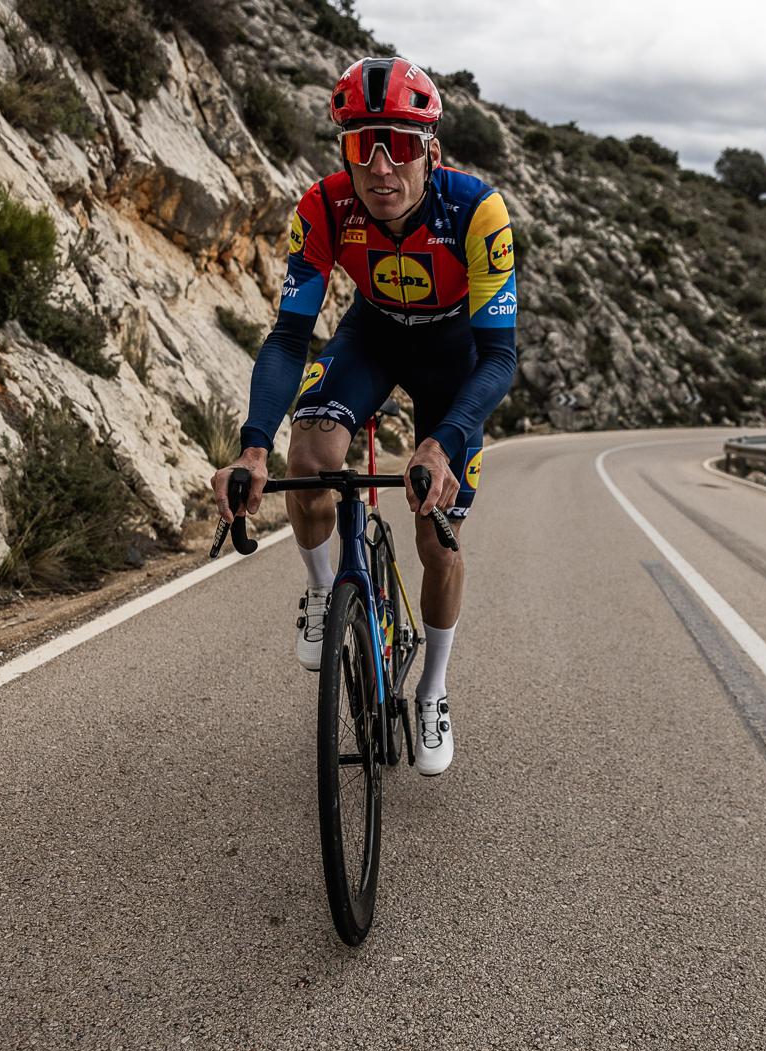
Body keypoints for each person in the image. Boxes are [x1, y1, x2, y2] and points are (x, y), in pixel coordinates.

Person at [211, 57, 518, 777]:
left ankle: (434, 687)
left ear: (430, 151)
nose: (381, 166)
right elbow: (289, 336)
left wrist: (442, 444)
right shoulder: (321, 209)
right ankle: (326, 593)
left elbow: (499, 356)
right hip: (372, 337)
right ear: (344, 151)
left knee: (437, 534)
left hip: (455, 357)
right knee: (308, 457)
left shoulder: (477, 211)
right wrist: (252, 448)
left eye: (400, 145)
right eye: (361, 145)